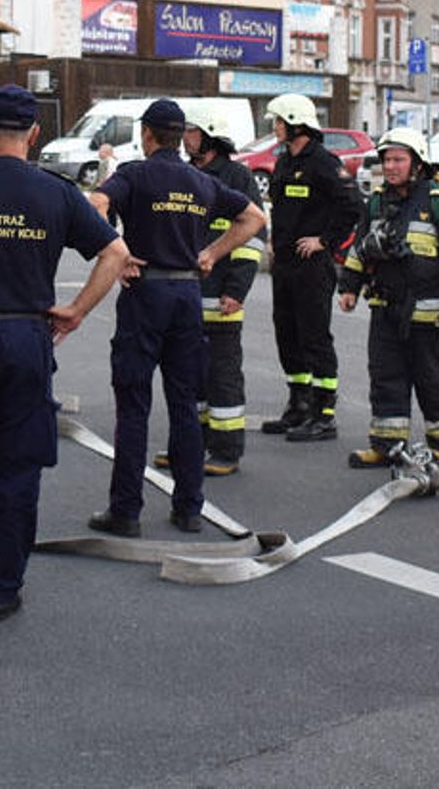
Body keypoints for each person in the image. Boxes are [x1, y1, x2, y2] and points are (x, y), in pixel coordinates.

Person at [0, 85, 128, 624]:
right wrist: (77, 310)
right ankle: (1, 590)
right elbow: (115, 253)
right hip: (28, 339)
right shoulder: (56, 193)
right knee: (20, 468)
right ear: (35, 134)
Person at [85, 99, 266, 537]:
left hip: (145, 293)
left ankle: (125, 512)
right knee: (185, 403)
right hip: (187, 295)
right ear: (180, 137)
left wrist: (117, 251)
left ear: (147, 134)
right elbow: (254, 217)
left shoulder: (134, 174)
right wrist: (212, 253)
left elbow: (96, 203)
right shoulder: (202, 182)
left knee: (134, 405)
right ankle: (189, 509)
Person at [338, 128, 439, 469]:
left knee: (433, 380)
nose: (390, 166)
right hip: (385, 309)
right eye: (386, 160)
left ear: (417, 163)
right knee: (386, 378)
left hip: (430, 314)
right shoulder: (376, 203)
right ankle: (387, 446)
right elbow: (359, 247)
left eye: (398, 159)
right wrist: (349, 287)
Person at [152, 106, 266, 476]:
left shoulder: (237, 177)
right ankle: (190, 446)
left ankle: (226, 451)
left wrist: (237, 290)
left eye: (192, 131)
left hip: (221, 300)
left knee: (222, 378)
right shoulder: (187, 175)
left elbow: (253, 239)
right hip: (186, 298)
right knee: (188, 378)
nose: (185, 138)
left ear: (210, 136)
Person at [260, 93, 364, 442]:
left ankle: (324, 412)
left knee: (314, 336)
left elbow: (353, 205)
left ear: (295, 123)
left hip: (312, 265)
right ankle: (299, 405)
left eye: (279, 122)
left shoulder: (323, 163)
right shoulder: (284, 162)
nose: (275, 128)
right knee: (287, 334)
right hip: (285, 264)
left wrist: (325, 241)